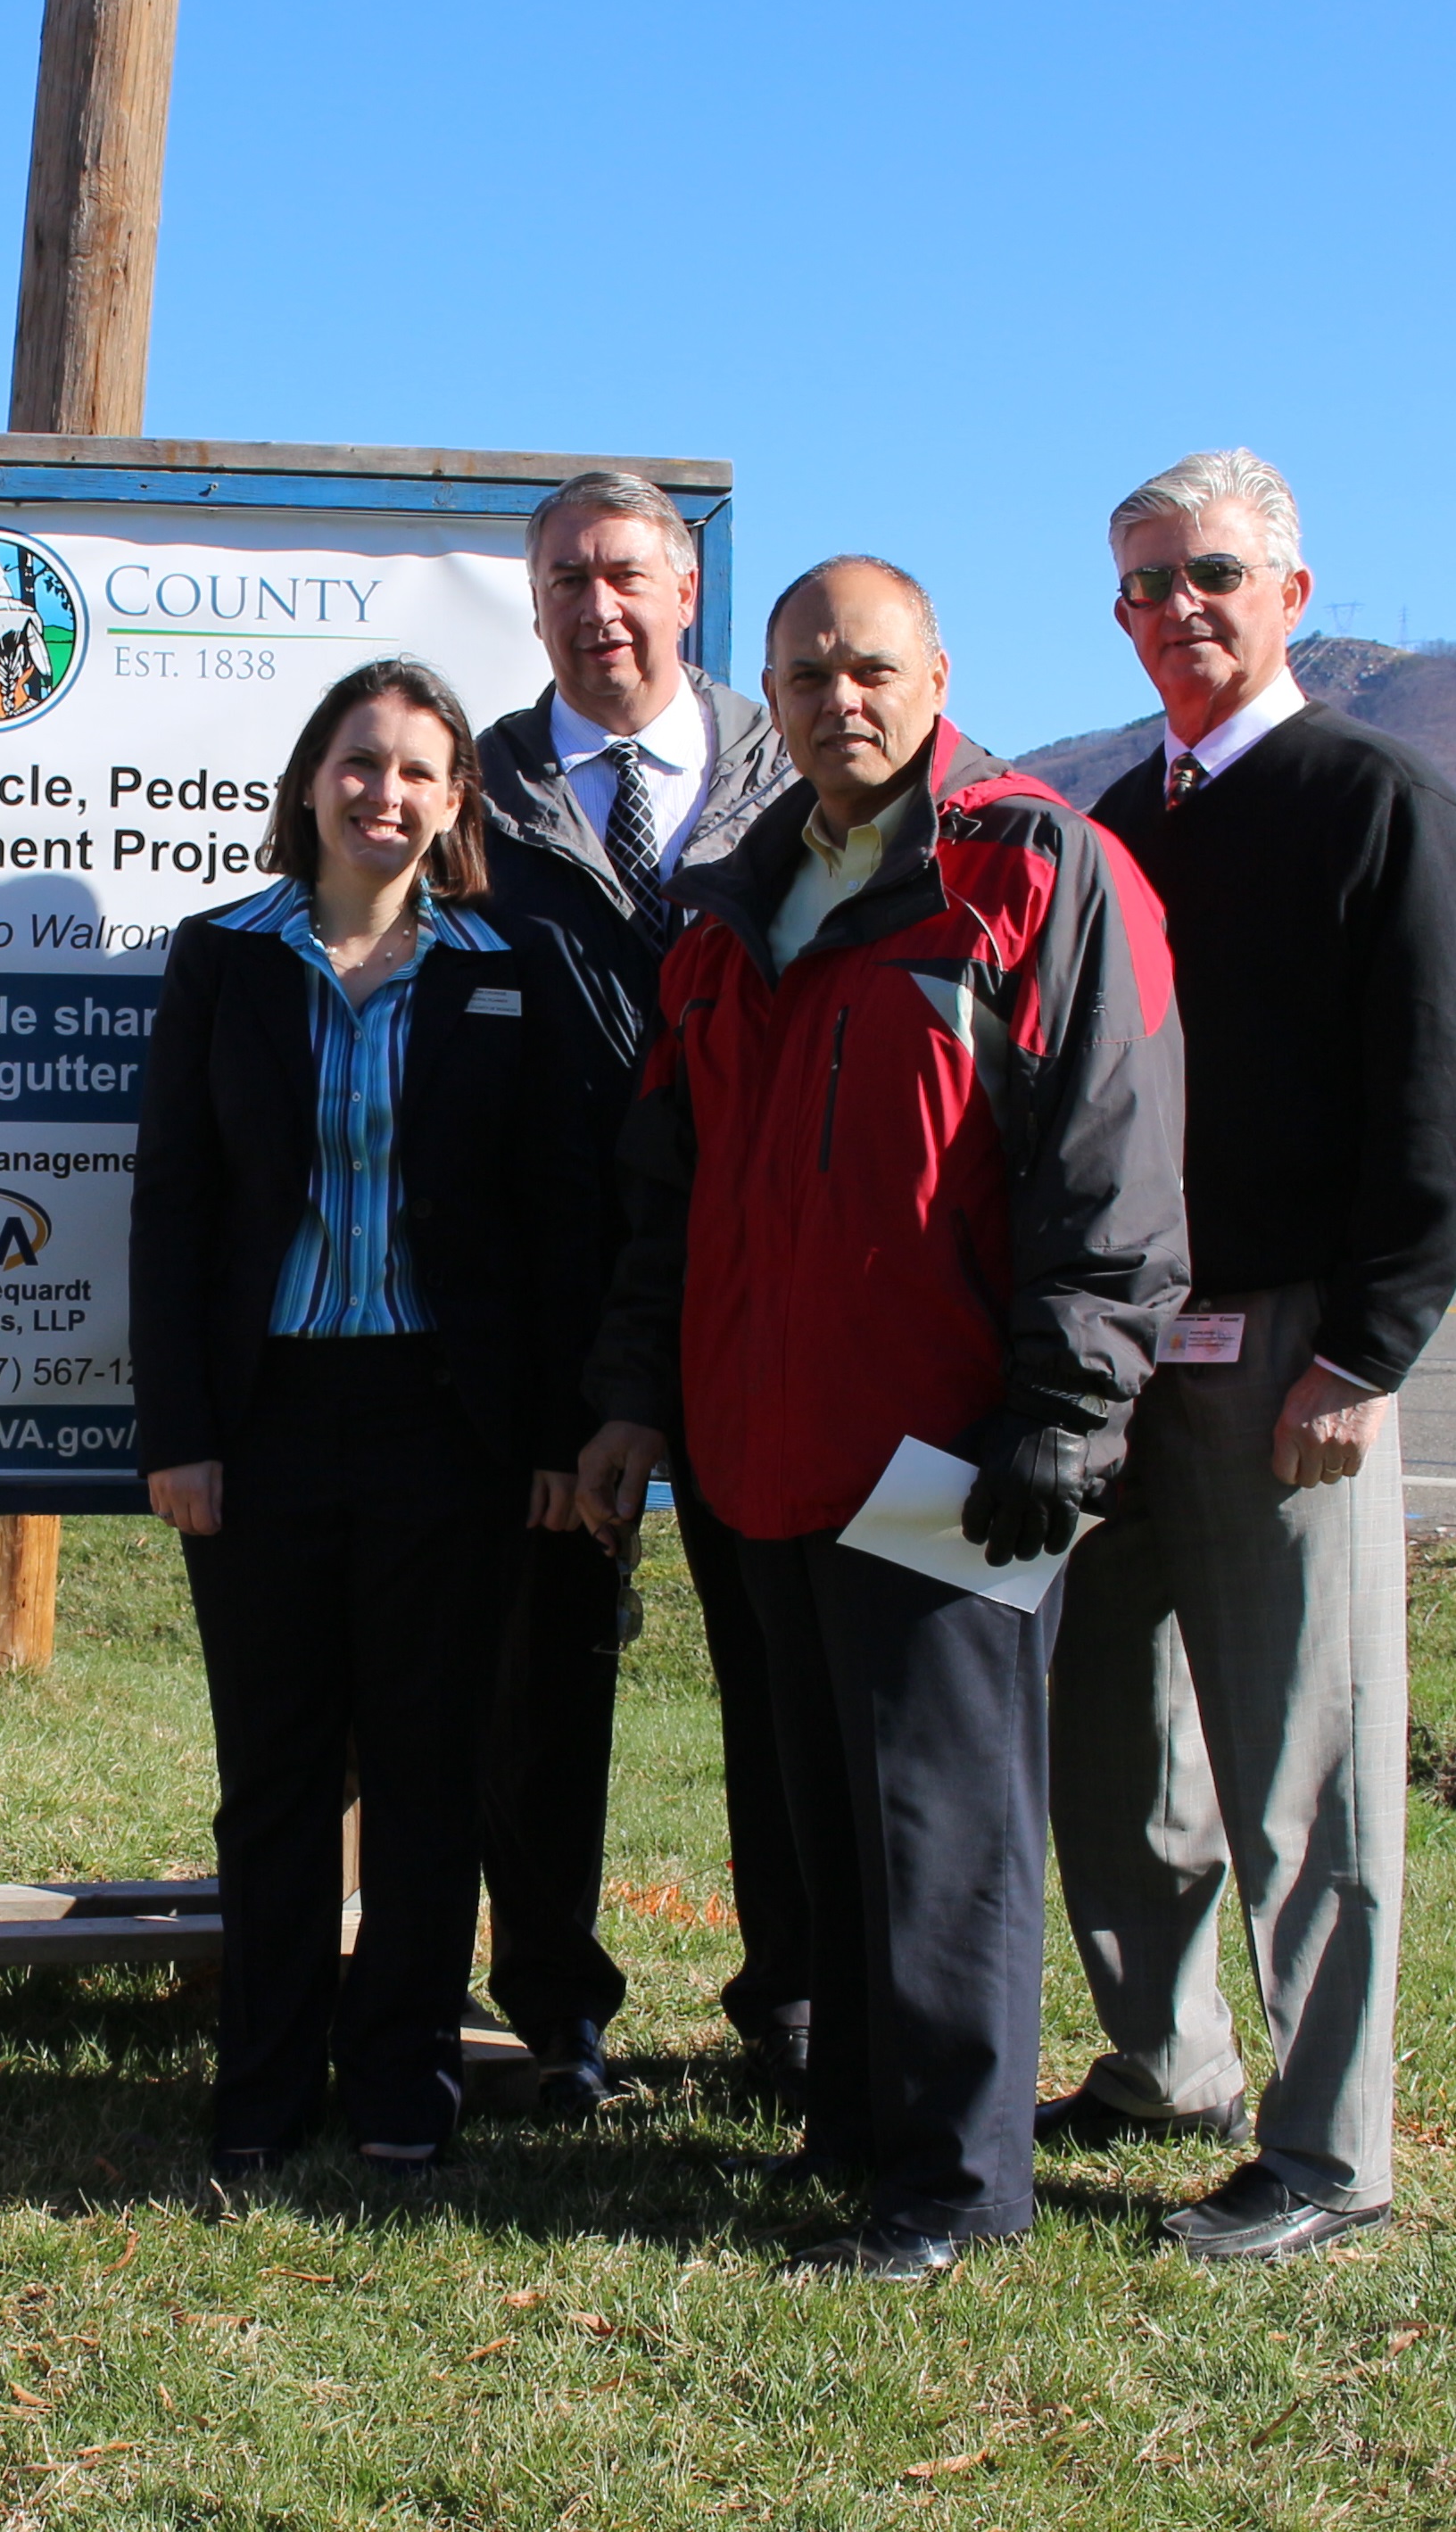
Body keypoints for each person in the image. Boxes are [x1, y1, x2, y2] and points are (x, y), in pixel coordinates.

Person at [577, 557, 1187, 2278]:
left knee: (942, 1823)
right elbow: (667, 1191)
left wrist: (1064, 1409)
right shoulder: (731, 909)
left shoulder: (1034, 869)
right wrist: (634, 1399)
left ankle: (955, 2182)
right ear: (764, 696)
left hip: (949, 1447)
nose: (837, 699)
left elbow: (1109, 1162)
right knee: (823, 1820)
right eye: (804, 673)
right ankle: (853, 2124)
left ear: (934, 676)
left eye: (868, 668)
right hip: (760, 1443)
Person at [1040, 450, 1456, 2261]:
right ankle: (1164, 2060)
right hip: (1125, 1346)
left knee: (1302, 1762)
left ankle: (1325, 2153)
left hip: (1290, 1350)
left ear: (1290, 591)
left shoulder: (1376, 803)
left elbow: (1443, 1111)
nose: (1178, 609)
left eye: (1211, 574)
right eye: (1144, 585)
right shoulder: (1117, 822)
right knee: (1110, 1740)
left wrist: (1363, 1352)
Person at [130, 657, 599, 2186]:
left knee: (424, 1765)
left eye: (414, 770)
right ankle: (262, 2083)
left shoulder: (508, 963)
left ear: (455, 801)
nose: (380, 792)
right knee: (272, 1770)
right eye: (357, 761)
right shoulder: (222, 956)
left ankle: (403, 2073)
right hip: (262, 1418)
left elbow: (554, 1215)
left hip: (446, 1426)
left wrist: (553, 1436)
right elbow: (173, 1205)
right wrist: (178, 1428)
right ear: (308, 781)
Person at [467, 470, 799, 2118]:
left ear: (683, 588)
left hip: (753, 1291)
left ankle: (792, 1997)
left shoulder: (794, 780)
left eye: (622, 575)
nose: (594, 607)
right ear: (530, 604)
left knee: (782, 1667)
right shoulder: (471, 795)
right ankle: (553, 2010)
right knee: (540, 1678)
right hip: (541, 1300)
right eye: (562, 581)